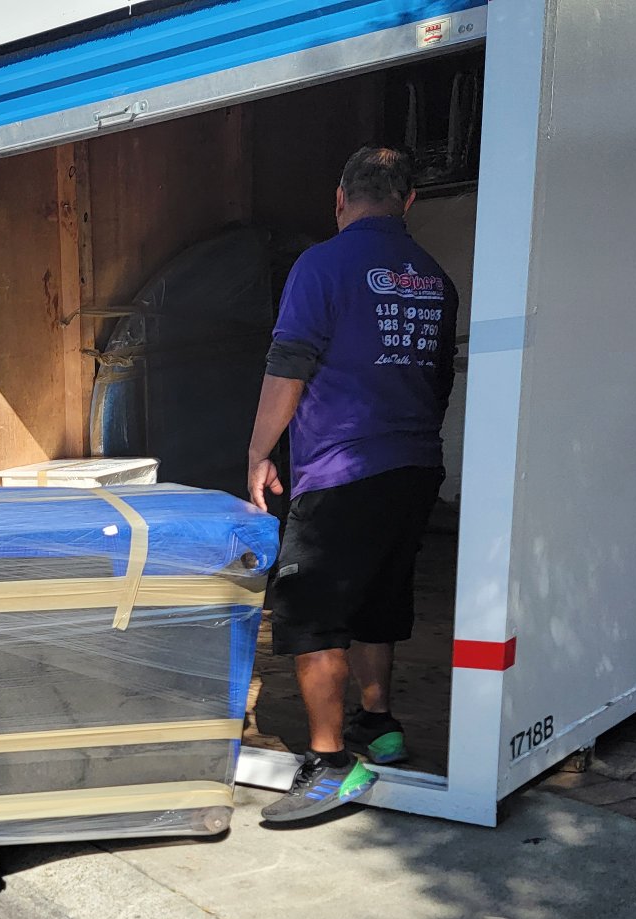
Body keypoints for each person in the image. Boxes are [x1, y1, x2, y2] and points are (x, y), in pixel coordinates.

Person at [245, 146, 458, 826]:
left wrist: (258, 450)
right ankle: (380, 725)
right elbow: (439, 382)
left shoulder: (322, 265)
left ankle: (331, 764)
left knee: (313, 612)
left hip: (341, 471)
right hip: (415, 465)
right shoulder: (436, 278)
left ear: (340, 198)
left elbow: (289, 364)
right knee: (380, 598)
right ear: (409, 202)